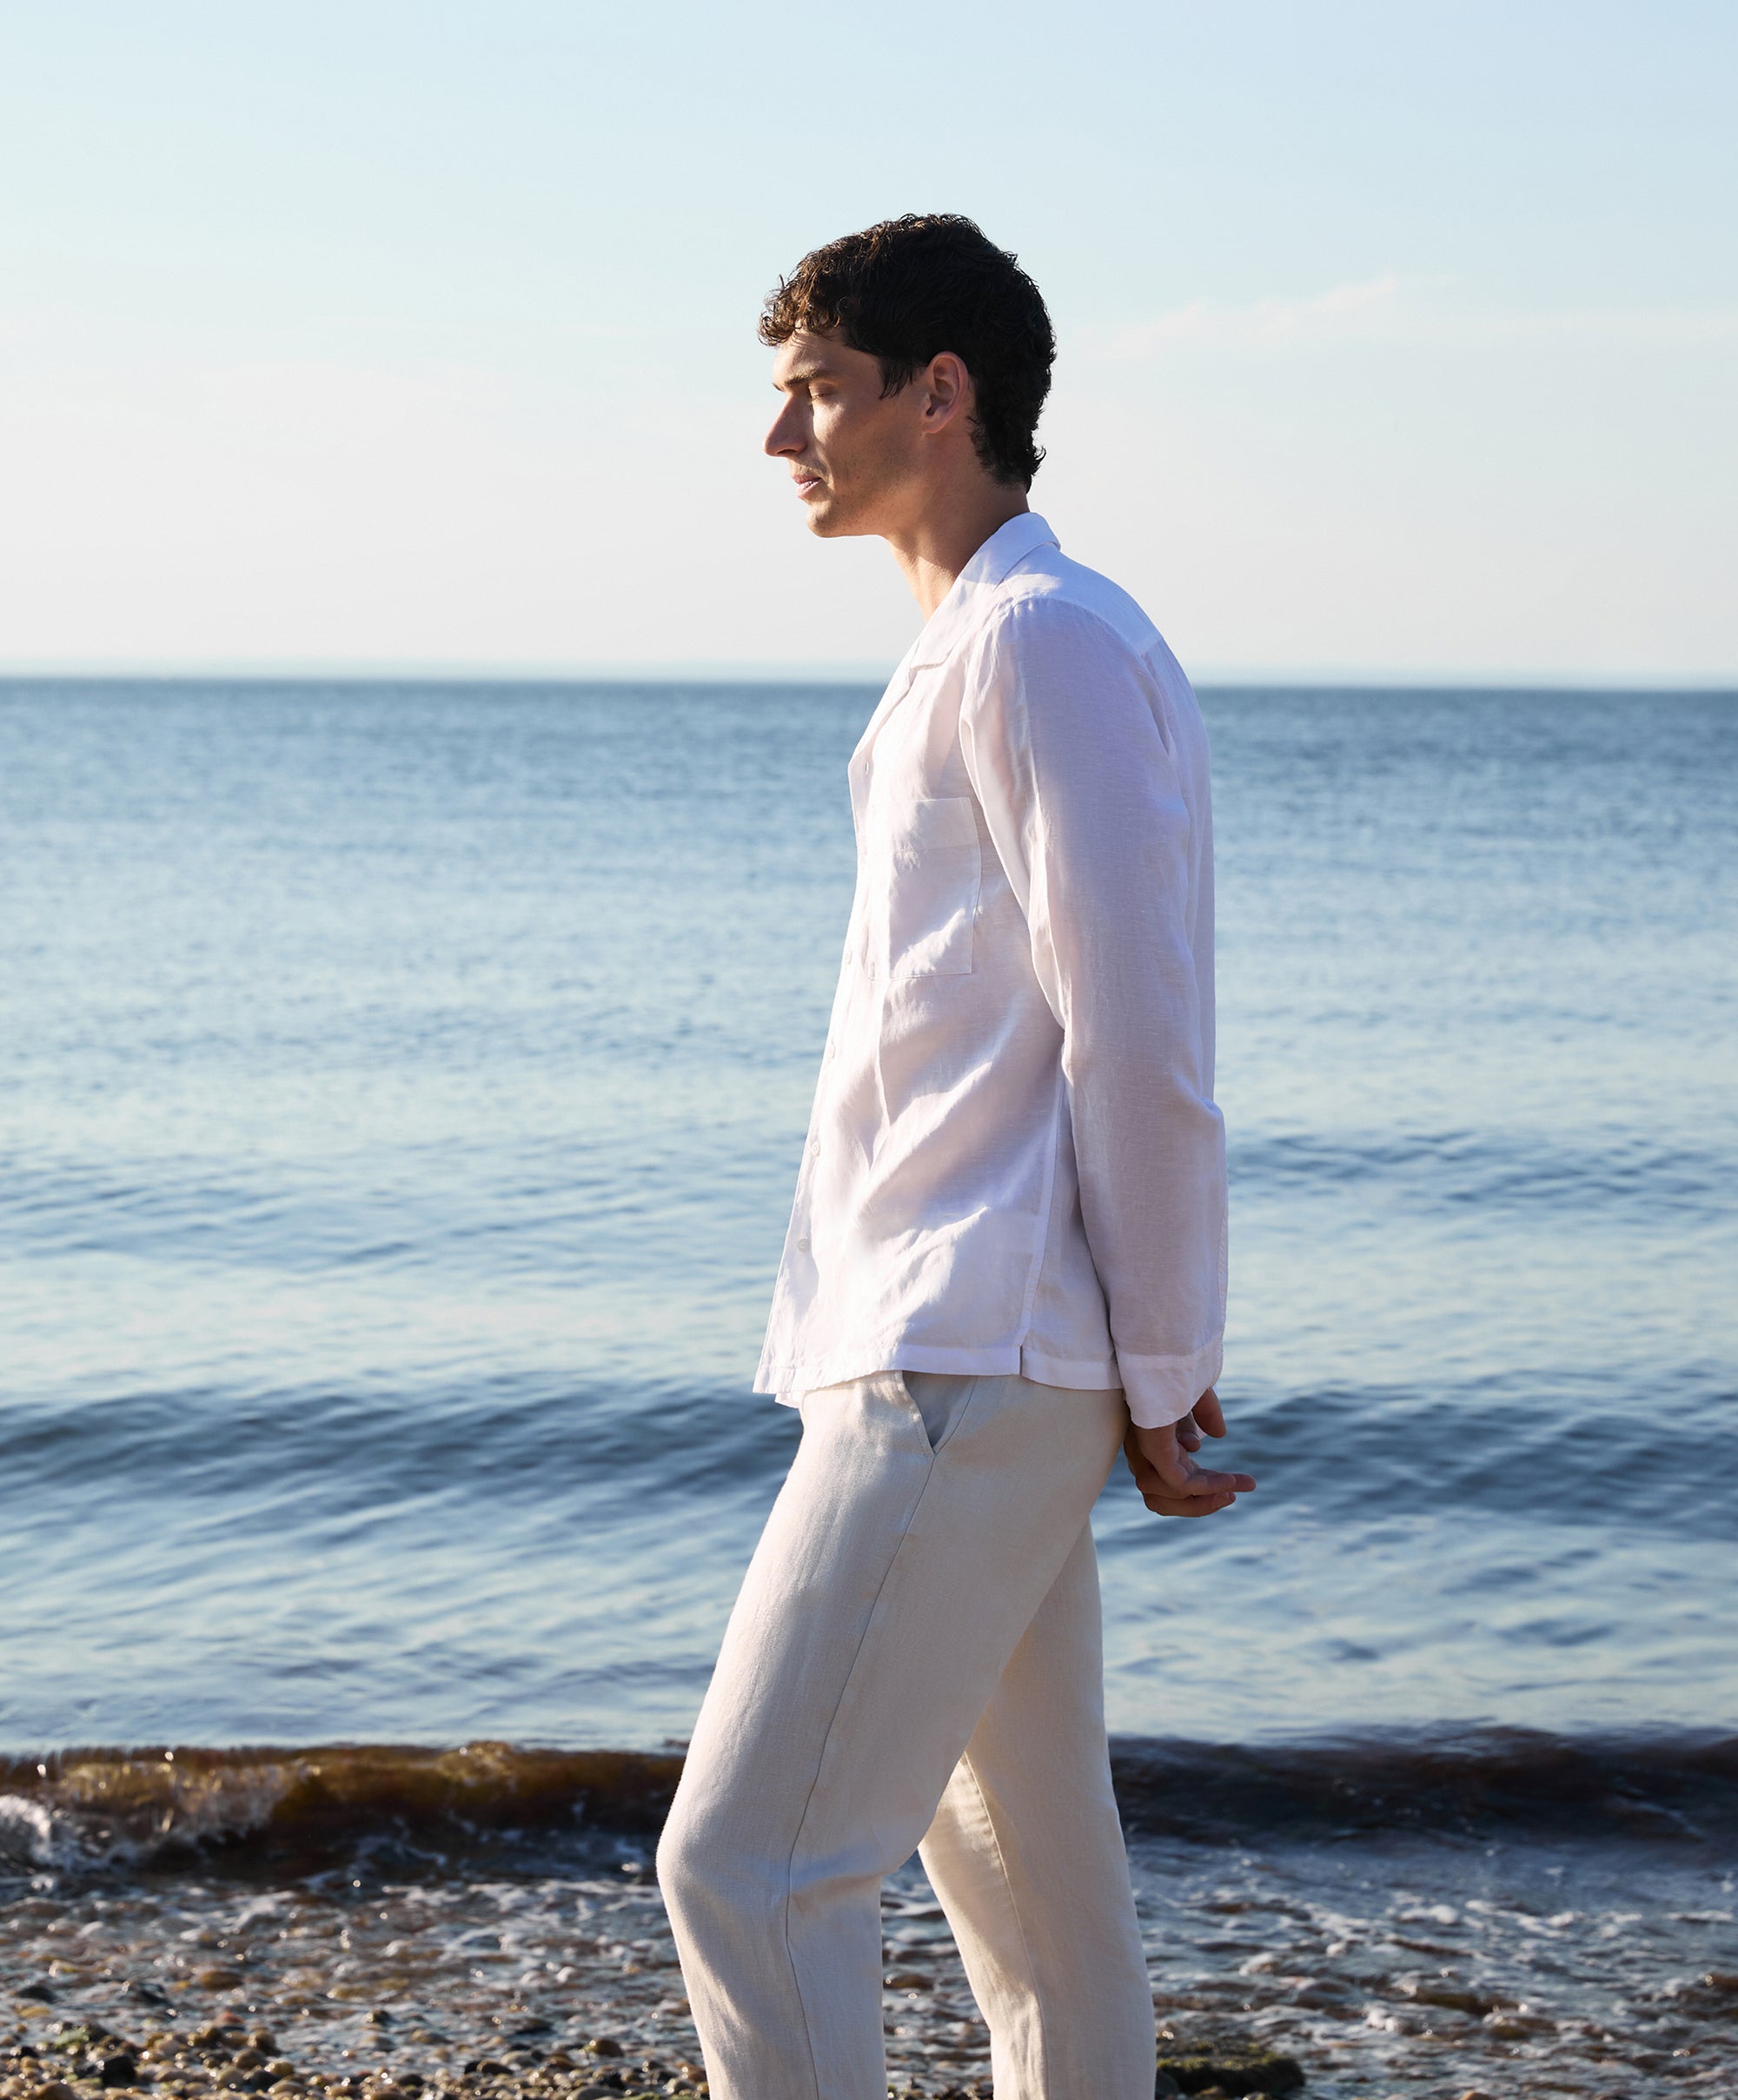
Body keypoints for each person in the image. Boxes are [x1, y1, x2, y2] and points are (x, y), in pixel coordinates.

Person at [657, 213, 1255, 2100]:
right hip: (969, 1346)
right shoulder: (992, 645)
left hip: (966, 1353)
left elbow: (1138, 1035)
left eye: (812, 392)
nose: (781, 441)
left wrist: (1164, 1365)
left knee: (748, 1870)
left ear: (941, 391)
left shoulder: (1043, 643)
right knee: (1036, 1918)